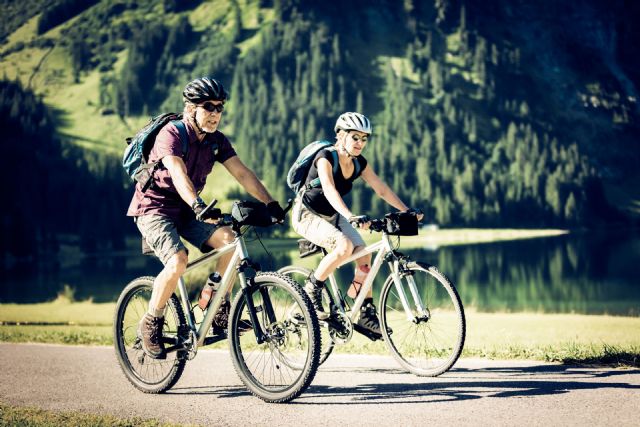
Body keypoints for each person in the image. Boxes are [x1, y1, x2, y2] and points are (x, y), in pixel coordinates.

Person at [127, 77, 285, 359]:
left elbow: (242, 172)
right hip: (154, 209)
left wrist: (271, 203)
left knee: (230, 240)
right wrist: (197, 203)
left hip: (189, 211)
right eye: (208, 106)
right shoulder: (171, 134)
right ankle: (151, 321)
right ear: (190, 108)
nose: (215, 113)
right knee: (177, 260)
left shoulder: (216, 141)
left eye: (220, 107)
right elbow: (177, 172)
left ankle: (215, 304)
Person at [291, 112, 423, 335]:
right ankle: (309, 295)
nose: (360, 143)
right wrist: (350, 215)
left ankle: (363, 310)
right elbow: (329, 189)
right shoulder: (325, 157)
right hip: (308, 214)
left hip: (335, 214)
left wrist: (406, 211)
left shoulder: (359, 163)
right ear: (341, 136)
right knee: (344, 247)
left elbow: (381, 189)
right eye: (355, 137)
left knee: (363, 253)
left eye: (364, 138)